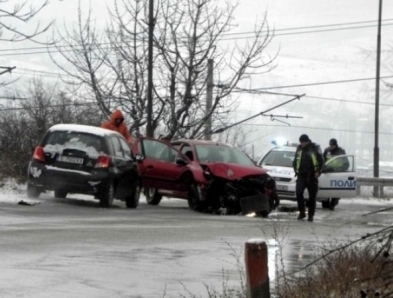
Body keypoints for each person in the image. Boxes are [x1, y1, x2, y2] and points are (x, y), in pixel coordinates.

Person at [293, 134, 324, 222]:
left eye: (303, 142)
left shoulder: (314, 148)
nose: (302, 144)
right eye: (301, 142)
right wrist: (296, 170)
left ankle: (311, 215)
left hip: (312, 176)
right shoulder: (299, 148)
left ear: (307, 141)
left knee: (312, 197)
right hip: (301, 175)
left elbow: (321, 161)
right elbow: (296, 160)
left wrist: (318, 172)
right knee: (298, 194)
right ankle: (302, 213)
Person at [322, 138, 349, 210]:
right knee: (326, 190)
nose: (331, 146)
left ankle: (333, 203)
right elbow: (322, 161)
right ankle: (325, 202)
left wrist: (338, 170)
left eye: (332, 145)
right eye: (330, 145)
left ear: (335, 145)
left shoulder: (341, 152)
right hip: (327, 173)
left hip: (337, 174)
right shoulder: (326, 151)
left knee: (335, 191)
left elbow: (346, 164)